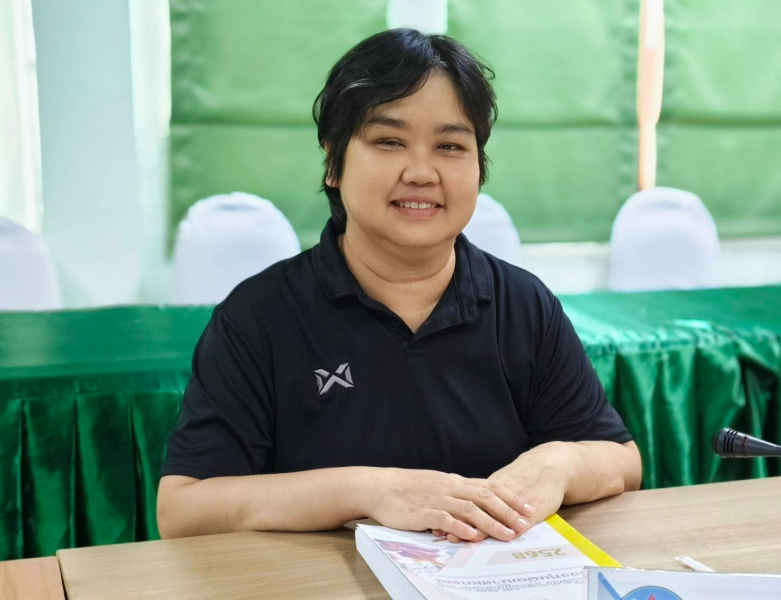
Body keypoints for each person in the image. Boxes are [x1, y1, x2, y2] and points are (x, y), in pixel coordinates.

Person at [157, 28, 641, 544]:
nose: (422, 172)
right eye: (389, 141)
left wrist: (561, 462)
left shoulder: (523, 303)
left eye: (450, 146)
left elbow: (621, 460)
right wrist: (366, 491)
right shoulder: (259, 315)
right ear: (333, 162)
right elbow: (184, 508)